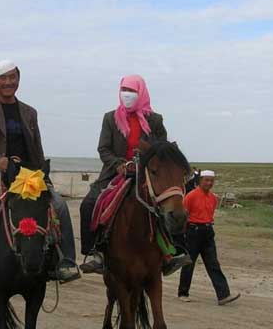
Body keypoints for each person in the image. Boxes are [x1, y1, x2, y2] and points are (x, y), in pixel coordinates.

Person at [0, 60, 80, 285]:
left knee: (59, 205)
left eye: (13, 77)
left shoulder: (30, 112)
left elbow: (36, 147)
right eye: (4, 78)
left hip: (27, 176)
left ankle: (66, 261)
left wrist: (43, 175)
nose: (9, 82)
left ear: (18, 79)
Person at [79, 75, 191, 276]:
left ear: (141, 93)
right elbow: (103, 149)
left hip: (149, 174)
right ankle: (96, 253)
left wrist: (148, 163)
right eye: (124, 90)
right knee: (88, 203)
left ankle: (170, 254)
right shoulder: (110, 118)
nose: (127, 95)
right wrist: (119, 164)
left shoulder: (155, 120)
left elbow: (162, 150)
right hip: (116, 173)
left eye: (132, 91)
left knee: (170, 205)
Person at [177, 170, 240, 305]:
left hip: (208, 231)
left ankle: (223, 295)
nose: (209, 183)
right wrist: (183, 234)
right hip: (193, 231)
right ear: (200, 181)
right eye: (206, 180)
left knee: (213, 264)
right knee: (188, 263)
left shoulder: (213, 198)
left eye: (211, 180)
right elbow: (183, 215)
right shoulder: (191, 196)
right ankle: (183, 293)